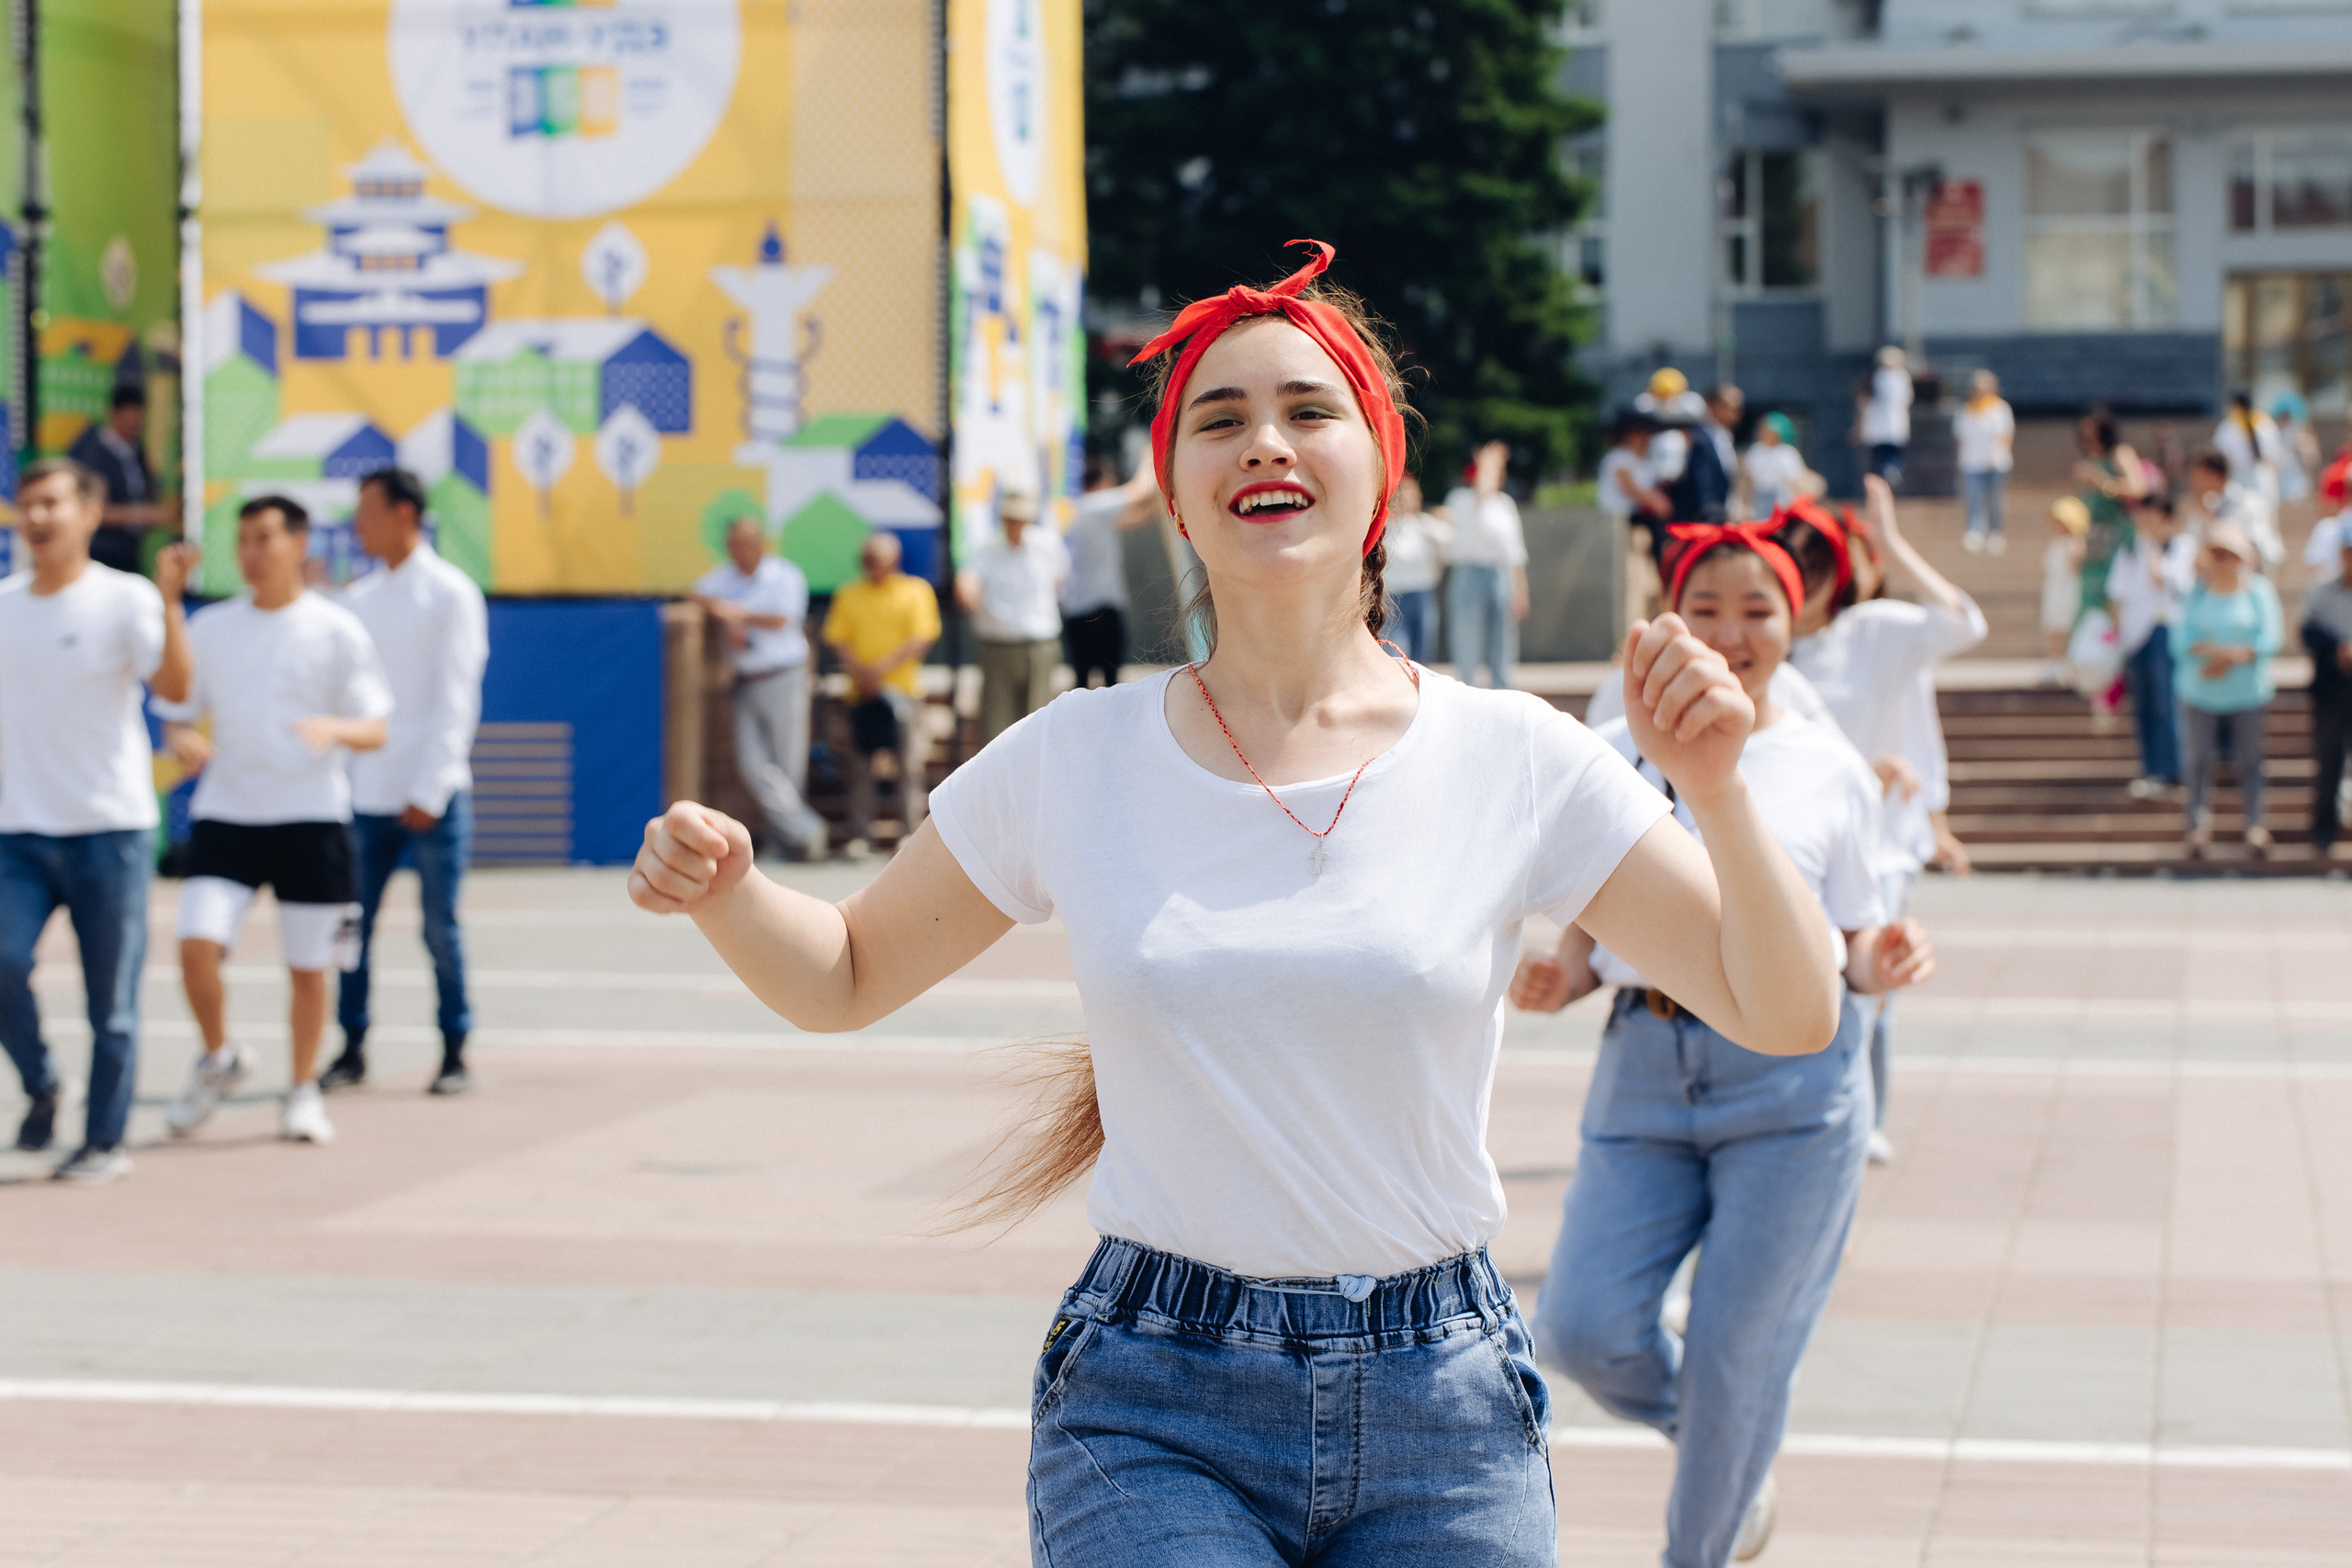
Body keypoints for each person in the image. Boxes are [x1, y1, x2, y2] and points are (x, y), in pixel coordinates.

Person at [628, 240, 1847, 1565]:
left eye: (1309, 411)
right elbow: (847, 971)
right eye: (1221, 419)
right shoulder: (1074, 752)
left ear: (1382, 473)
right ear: (1177, 494)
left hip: (1443, 1403)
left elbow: (1785, 1008)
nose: (1265, 441)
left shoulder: (1512, 753)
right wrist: (734, 893)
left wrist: (1714, 791)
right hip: (1155, 1400)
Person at [1517, 520, 1932, 1568]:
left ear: (1799, 624)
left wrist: (1883, 961)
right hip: (1645, 1070)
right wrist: (1562, 975)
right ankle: (1722, 1442)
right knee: (1578, 1327)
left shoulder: (1825, 766)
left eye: (1758, 612)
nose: (1730, 633)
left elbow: (1848, 948)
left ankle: (1709, 1520)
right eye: (1704, 609)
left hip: (1793, 1095)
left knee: (1737, 1358)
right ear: (1665, 616)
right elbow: (1589, 919)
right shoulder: (1609, 751)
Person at [158, 495, 392, 1145]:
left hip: (311, 821)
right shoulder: (211, 627)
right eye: (244, 541)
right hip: (226, 818)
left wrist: (335, 726)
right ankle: (218, 1056)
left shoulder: (335, 628)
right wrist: (180, 734)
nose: (252, 553)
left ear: (298, 543)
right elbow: (176, 705)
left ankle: (301, 1089)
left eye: (265, 538)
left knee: (307, 968)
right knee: (195, 946)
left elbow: (376, 725)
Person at [1778, 478, 1984, 1166]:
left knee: (1869, 983)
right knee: (1816, 978)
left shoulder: (1874, 630)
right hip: (1804, 842)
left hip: (1883, 846)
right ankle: (1819, 1111)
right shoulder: (1768, 652)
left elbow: (1963, 622)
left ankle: (1858, 1117)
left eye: (1813, 570)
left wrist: (1893, 542)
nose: (1800, 586)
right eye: (1789, 568)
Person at [0, 460, 194, 1183]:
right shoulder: (6, 605)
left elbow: (174, 688)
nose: (38, 517)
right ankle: (43, 1081)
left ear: (90, 510)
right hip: (17, 830)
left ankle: (102, 1140)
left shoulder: (126, 599)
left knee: (110, 1001)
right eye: (27, 505)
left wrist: (172, 608)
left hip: (108, 830)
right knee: (3, 963)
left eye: (52, 502)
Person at [322, 468, 491, 1098]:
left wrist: (432, 785)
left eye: (366, 510)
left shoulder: (450, 593)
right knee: (351, 927)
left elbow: (457, 696)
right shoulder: (358, 599)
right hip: (366, 794)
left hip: (433, 797)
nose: (357, 524)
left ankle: (454, 1049)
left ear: (403, 514)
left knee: (438, 927)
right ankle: (352, 1046)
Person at [692, 514, 829, 863]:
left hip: (783, 676)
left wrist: (737, 615)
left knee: (787, 766)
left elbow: (782, 619)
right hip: (745, 681)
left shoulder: (785, 575)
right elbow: (695, 593)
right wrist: (720, 609)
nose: (738, 553)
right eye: (732, 547)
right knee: (752, 763)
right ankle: (807, 830)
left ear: (759, 544)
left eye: (743, 545)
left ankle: (788, 841)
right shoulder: (725, 577)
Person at [823, 532, 942, 859]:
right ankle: (861, 835)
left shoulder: (916, 592)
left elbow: (921, 637)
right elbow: (838, 638)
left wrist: (880, 669)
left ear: (894, 561)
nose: (869, 567)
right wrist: (863, 674)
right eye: (865, 560)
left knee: (909, 765)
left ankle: (910, 835)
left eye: (875, 560)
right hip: (861, 695)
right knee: (861, 768)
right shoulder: (849, 594)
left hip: (903, 694)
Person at [2176, 522, 2281, 858]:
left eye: (2228, 554)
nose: (2222, 561)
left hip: (2247, 690)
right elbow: (2179, 640)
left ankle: (2254, 824)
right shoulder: (2196, 592)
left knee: (2250, 759)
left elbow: (2270, 638)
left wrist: (2234, 656)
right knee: (2198, 759)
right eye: (2216, 553)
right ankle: (2197, 825)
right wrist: (2211, 655)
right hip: (2200, 689)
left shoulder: (2258, 590)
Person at [958, 488, 1070, 743]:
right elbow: (969, 579)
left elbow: (1059, 578)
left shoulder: (1047, 544)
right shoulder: (985, 547)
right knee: (997, 727)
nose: (1015, 524)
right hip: (998, 646)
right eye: (1011, 517)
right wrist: (967, 591)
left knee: (1038, 721)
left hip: (1039, 644)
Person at [2110, 493, 2195, 800]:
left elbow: (2171, 582)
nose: (2146, 522)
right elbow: (2117, 593)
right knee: (2143, 705)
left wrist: (2156, 553)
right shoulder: (2129, 549)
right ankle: (2150, 769)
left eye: (2153, 515)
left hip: (2166, 631)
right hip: (2135, 636)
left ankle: (2172, 770)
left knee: (2166, 703)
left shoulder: (2181, 547)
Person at [1060, 456, 1161, 688]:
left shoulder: (1082, 512)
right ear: (1103, 482)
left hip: (1078, 609)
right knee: (1110, 681)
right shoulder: (1093, 505)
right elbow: (1139, 491)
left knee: (1084, 681)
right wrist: (1150, 453)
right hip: (1099, 609)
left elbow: (1135, 517)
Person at [1443, 438, 1529, 690]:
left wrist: (1520, 589)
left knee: (1503, 642)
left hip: (1500, 575)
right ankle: (1466, 691)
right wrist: (1488, 462)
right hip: (1468, 573)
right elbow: (1482, 492)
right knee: (1467, 641)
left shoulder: (1505, 504)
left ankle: (1502, 690)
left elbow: (1515, 552)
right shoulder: (1460, 499)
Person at [67, 387, 168, 575]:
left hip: (131, 552)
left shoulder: (137, 452)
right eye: (130, 419)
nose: (135, 425)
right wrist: (143, 515)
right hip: (103, 553)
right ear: (114, 414)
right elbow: (98, 510)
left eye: (139, 420)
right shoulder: (96, 454)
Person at [2301, 531, 2352, 858]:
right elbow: (2307, 631)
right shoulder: (2320, 590)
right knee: (2329, 759)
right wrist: (2337, 647)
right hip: (2333, 686)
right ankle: (2323, 831)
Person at [1598, 411, 1672, 622]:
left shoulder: (1647, 461)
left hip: (1641, 524)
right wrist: (1656, 501)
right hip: (1618, 523)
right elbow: (1630, 487)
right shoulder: (1619, 457)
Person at [1377, 472, 1452, 662]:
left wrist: (1445, 518)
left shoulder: (1425, 525)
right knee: (1396, 652)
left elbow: (1452, 546)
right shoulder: (1383, 527)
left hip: (1422, 595)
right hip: (1392, 598)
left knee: (1422, 652)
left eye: (1412, 494)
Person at [1953, 370, 2016, 555]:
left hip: (1996, 464)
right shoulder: (1965, 410)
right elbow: (1960, 438)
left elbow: (2005, 435)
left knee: (1995, 500)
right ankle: (1975, 531)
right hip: (1972, 464)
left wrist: (1997, 455)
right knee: (1974, 499)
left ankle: (1996, 533)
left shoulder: (2000, 408)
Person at [2189, 446, 2281, 569]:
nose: (2193, 484)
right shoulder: (2204, 508)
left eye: (2198, 478)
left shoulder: (2249, 503)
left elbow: (2259, 549)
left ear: (2213, 475)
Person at [1666, 383, 1742, 525]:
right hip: (1702, 521)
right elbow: (1703, 484)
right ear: (1713, 406)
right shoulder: (1698, 437)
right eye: (1731, 407)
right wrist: (1713, 517)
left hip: (1718, 516)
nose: (1737, 412)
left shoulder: (1724, 436)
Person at [2040, 496, 2089, 684]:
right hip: (2054, 590)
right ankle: (2054, 663)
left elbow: (2075, 569)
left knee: (2065, 628)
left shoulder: (2074, 544)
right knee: (2054, 628)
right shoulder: (2055, 543)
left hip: (2068, 591)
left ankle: (2067, 665)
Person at [2214, 391, 2284, 522]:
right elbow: (2222, 455)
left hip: (2260, 472)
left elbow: (2272, 456)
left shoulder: (2263, 423)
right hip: (2237, 474)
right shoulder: (2229, 425)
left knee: (2264, 513)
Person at [1857, 346, 1913, 486]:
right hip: (1896, 427)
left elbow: (1864, 402)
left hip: (1876, 428)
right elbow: (1907, 404)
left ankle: (1881, 483)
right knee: (1893, 459)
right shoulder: (1902, 377)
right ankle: (1890, 477)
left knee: (1877, 463)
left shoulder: (1873, 377)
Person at [1740, 411, 1807, 519]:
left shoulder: (1787, 453)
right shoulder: (1755, 451)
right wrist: (1744, 504)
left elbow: (1796, 483)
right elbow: (1748, 480)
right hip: (1759, 498)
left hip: (1782, 498)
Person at [2275, 396, 2319, 503]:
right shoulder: (2276, 434)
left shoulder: (2298, 434)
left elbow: (2312, 457)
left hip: (2296, 474)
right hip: (2282, 474)